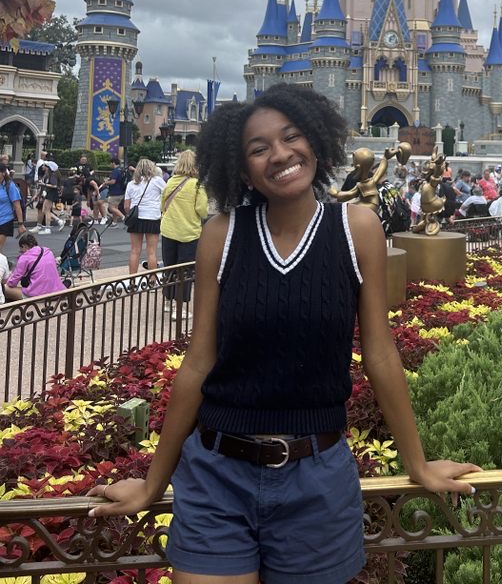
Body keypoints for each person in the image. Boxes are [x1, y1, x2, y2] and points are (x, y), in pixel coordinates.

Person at [88, 84, 477, 583]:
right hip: (217, 474)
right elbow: (198, 363)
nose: (280, 154)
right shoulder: (222, 235)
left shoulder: (356, 228)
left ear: (315, 139)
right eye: (259, 148)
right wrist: (151, 483)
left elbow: (380, 354)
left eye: (291, 136)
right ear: (241, 166)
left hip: (316, 477)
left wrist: (417, 464)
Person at [160, 149, 209, 308]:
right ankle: (179, 307)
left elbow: (162, 206)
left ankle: (168, 302)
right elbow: (202, 210)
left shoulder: (171, 181)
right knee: (185, 270)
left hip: (168, 230)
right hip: (189, 233)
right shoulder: (197, 185)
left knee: (170, 266)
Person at [125, 158, 166, 276]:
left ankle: (132, 281)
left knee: (134, 251)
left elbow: (126, 206)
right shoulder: (157, 180)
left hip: (136, 219)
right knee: (151, 252)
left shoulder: (131, 184)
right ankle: (152, 281)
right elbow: (167, 194)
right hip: (152, 217)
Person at [3, 232, 65, 302]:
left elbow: (13, 282)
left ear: (24, 246)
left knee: (4, 288)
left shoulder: (25, 257)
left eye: (21, 249)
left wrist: (6, 280)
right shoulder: (48, 252)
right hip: (57, 291)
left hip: (39, 295)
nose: (20, 252)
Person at [0, 159, 26, 253]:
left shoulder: (10, 186)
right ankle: (5, 264)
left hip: (5, 220)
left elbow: (17, 206)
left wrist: (20, 224)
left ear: (3, 173)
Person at [103, 158, 127, 225]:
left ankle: (123, 217)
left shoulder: (115, 171)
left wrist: (106, 182)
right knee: (115, 207)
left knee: (111, 208)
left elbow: (113, 181)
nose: (110, 165)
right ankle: (114, 222)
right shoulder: (122, 170)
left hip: (115, 192)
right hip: (121, 191)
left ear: (113, 163)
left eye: (110, 163)